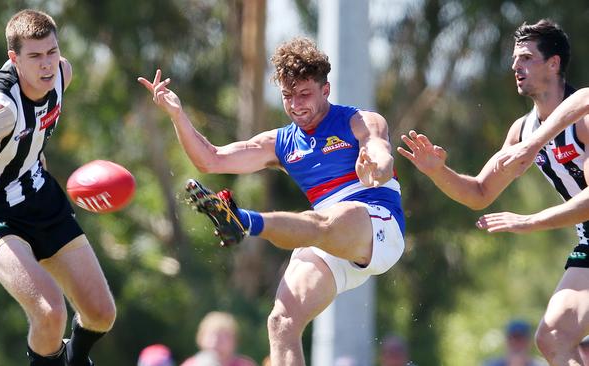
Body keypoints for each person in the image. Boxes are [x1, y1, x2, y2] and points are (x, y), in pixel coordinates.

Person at [138, 36, 405, 365]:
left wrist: (377, 167)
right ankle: (244, 221)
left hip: (377, 224)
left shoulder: (359, 120)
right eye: (287, 96)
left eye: (304, 94)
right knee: (282, 322)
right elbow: (212, 160)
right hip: (325, 237)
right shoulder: (281, 143)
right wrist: (177, 115)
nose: (295, 105)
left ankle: (245, 221)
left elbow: (380, 151)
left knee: (326, 220)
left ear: (326, 90)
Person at [398, 19, 589, 365]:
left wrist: (530, 221)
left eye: (527, 58)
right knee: (553, 339)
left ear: (554, 63)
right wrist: (437, 171)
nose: (516, 66)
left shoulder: (582, 119)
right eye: (515, 59)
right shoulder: (522, 130)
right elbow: (479, 192)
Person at [0, 9, 115, 366]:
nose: (46, 64)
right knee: (49, 309)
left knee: (101, 313)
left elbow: (34, 135)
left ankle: (73, 360)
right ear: (14, 58)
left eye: (51, 52)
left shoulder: (61, 74)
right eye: (35, 56)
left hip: (36, 193)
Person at [180, 311, 256, 366]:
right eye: (211, 336)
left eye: (223, 337)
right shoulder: (192, 364)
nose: (216, 341)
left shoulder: (244, 364)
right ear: (200, 339)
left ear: (234, 341)